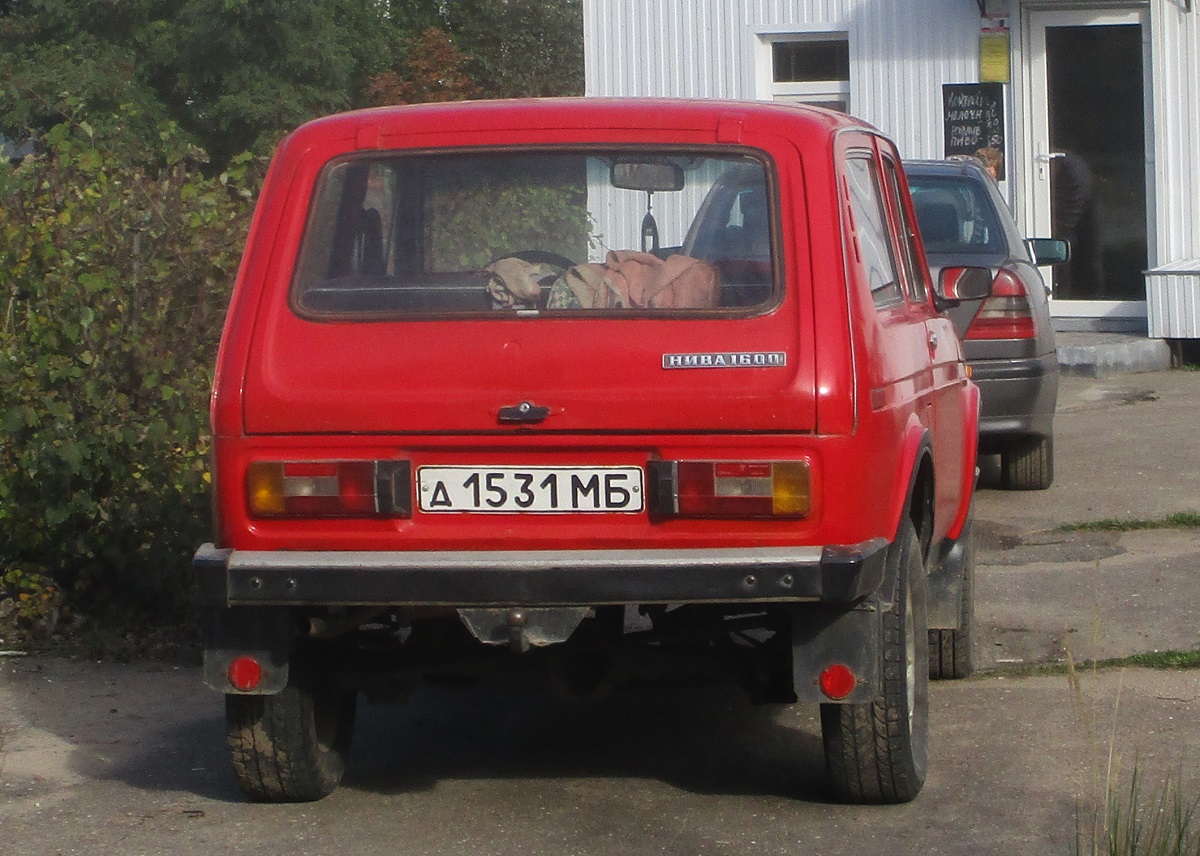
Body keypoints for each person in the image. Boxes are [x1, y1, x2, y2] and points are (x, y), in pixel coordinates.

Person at [1051, 151, 1104, 299]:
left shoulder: (1073, 176)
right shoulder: (1070, 169)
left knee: (1065, 251)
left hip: (1081, 215)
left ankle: (1071, 296)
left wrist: (1055, 233)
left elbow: (1067, 221)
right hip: (1080, 214)